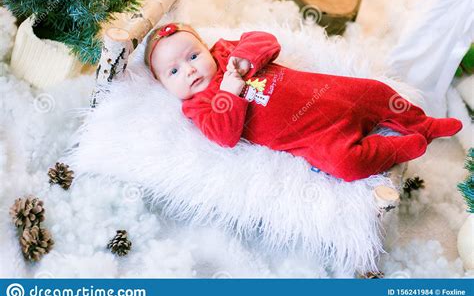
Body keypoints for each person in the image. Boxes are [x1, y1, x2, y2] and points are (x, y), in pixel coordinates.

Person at [144, 23, 462, 182]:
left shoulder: (226, 53)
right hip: (312, 136)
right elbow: (224, 136)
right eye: (173, 71)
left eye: (193, 55)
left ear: (205, 46)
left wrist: (241, 61)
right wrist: (230, 89)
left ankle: (422, 123)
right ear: (163, 84)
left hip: (326, 93)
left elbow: (265, 41)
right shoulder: (197, 107)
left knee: (376, 92)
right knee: (345, 165)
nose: (189, 69)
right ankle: (395, 147)